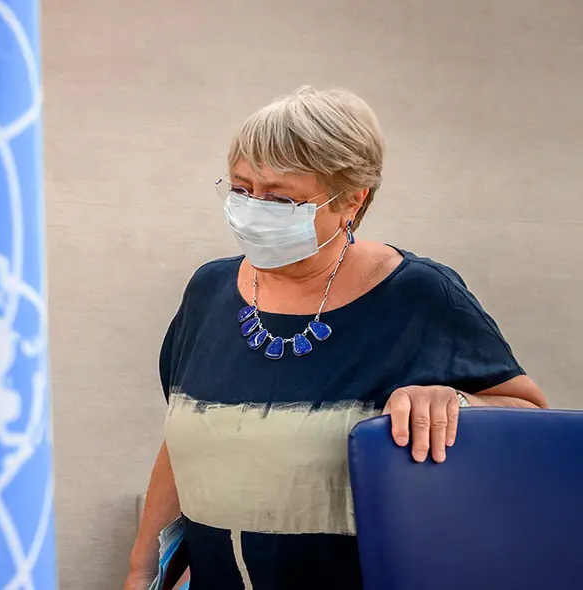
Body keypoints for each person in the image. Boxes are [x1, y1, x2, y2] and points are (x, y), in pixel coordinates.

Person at [124, 86, 548, 590]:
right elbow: (181, 448)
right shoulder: (208, 290)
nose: (254, 208)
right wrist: (141, 573)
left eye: (280, 198)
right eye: (241, 189)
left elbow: (530, 417)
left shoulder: (416, 294)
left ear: (352, 199)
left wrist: (456, 401)